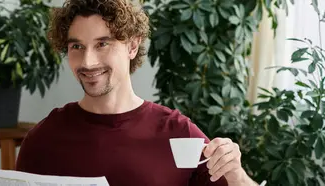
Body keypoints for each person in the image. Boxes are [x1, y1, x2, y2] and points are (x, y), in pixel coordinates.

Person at [15, 0, 259, 186]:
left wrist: (237, 175)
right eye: (77, 46)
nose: (88, 62)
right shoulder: (43, 140)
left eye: (103, 44)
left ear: (132, 45)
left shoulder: (178, 133)